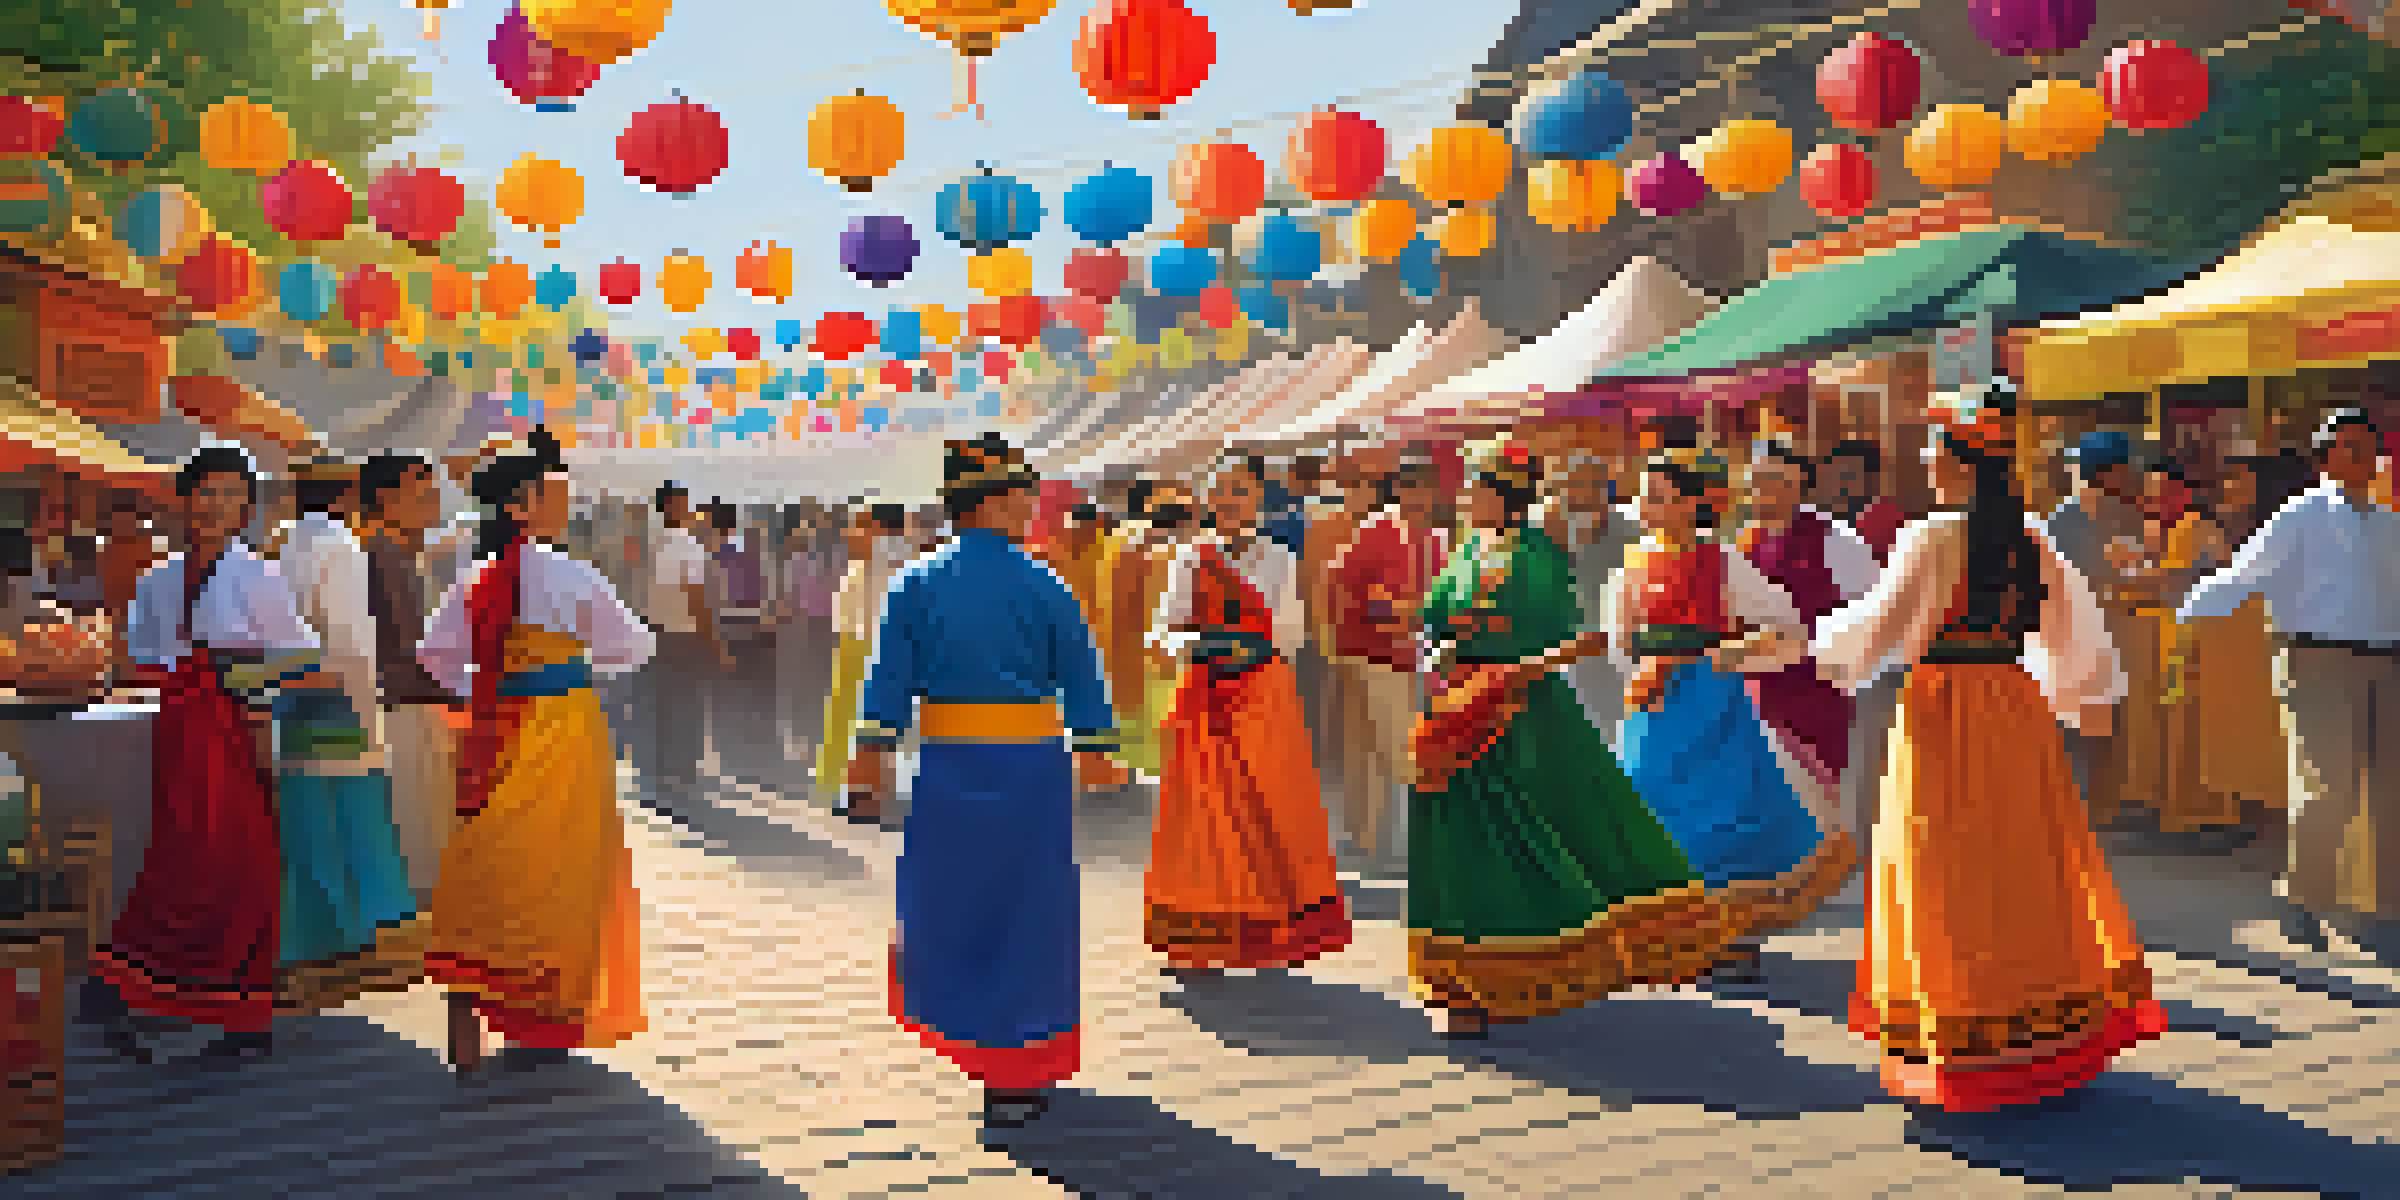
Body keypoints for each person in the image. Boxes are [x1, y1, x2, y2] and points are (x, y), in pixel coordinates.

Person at [1813, 407, 2160, 1112]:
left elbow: (1880, 626)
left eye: (1938, 457)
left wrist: (1817, 646)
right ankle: (2043, 1024)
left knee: (1944, 867)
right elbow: (2079, 643)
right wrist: (2081, 704)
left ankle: (1966, 1027)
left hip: (1943, 707)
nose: (1928, 469)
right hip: (2014, 704)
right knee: (2020, 864)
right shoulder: (2031, 540)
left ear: (1962, 466)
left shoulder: (1933, 536)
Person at [1409, 443, 1744, 1039]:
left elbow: (1564, 633)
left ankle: (1540, 959)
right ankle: (1461, 982)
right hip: (1456, 711)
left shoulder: (1535, 552)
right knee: (1459, 841)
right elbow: (1433, 619)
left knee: (1557, 823)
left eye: (1474, 488)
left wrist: (1511, 671)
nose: (1463, 498)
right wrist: (1439, 656)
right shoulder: (1464, 550)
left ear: (1504, 493)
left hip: (1521, 713)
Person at [845, 433, 1116, 1128]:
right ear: (992, 505)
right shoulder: (1045, 582)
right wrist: (1096, 749)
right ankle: (1017, 1065)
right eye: (1023, 496)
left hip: (944, 766)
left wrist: (870, 755)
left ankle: (968, 1032)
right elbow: (1082, 674)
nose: (1031, 507)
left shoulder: (915, 583)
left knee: (953, 902)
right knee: (1029, 911)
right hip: (1031, 770)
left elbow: (887, 683)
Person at [417, 429, 656, 1076]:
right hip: (566, 730)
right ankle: (544, 1010)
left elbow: (435, 656)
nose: (567, 504)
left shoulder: (475, 579)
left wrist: (489, 684)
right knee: (562, 868)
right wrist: (570, 666)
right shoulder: (571, 574)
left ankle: (468, 1011)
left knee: (486, 858)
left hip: (498, 727)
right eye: (555, 494)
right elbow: (634, 647)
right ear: (521, 506)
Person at [92, 445, 326, 1063]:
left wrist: (242, 693)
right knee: (185, 856)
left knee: (240, 861)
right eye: (207, 492)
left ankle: (239, 1011)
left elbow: (300, 655)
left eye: (231, 494)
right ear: (186, 499)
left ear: (247, 504)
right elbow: (139, 658)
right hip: (182, 726)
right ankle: (135, 985)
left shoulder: (259, 575)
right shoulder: (159, 578)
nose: (218, 506)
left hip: (235, 723)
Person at [1607, 449, 1857, 966]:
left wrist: (1733, 652)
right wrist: (1643, 668)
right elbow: (1621, 636)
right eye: (1645, 495)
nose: (1646, 505)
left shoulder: (1721, 560)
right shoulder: (1633, 561)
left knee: (1724, 814)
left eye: (1658, 496)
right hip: (1654, 705)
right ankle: (1677, 929)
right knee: (1651, 808)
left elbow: (1783, 623)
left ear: (1691, 503)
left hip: (1712, 704)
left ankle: (1734, 933)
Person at [2178, 410, 2400, 955]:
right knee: (2328, 786)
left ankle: (2387, 909)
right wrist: (2189, 614)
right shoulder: (2300, 514)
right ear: (2325, 458)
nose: (2364, 456)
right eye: (2350, 446)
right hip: (2314, 658)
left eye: (2369, 446)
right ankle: (2302, 897)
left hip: (2386, 660)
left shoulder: (2389, 522)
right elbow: (2248, 573)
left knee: (2390, 792)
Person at [1144, 454, 1351, 977]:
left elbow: (1290, 635)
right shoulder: (1189, 559)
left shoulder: (1280, 558)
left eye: (1239, 490)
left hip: (1262, 697)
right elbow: (1163, 632)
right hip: (1205, 700)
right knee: (1204, 816)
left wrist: (1247, 648)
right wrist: (1200, 644)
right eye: (1220, 491)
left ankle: (1271, 929)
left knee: (1267, 811)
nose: (1229, 501)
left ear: (1259, 497)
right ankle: (1199, 933)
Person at [270, 459, 424, 1014]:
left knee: (309, 816)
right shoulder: (341, 545)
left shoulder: (287, 544)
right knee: (352, 812)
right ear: (345, 497)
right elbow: (352, 640)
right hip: (337, 696)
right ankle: (352, 939)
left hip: (295, 696)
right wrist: (366, 711)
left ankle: (308, 941)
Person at [1736, 441, 1880, 838]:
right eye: (1755, 483)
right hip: (1760, 686)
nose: (1761, 492)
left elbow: (1870, 607)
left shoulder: (1833, 537)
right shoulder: (1744, 539)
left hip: (1818, 687)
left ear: (1796, 485)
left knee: (1821, 786)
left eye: (1771, 482)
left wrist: (1812, 642)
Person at [1326, 454, 1440, 874]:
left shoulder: (1430, 537)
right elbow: (1346, 587)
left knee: (1382, 751)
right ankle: (1388, 845)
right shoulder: (1378, 531)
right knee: (1392, 750)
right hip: (1374, 654)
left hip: (1407, 655)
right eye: (1410, 487)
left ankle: (1375, 840)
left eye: (1424, 487)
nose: (1419, 496)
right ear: (1398, 490)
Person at [359, 453, 460, 900]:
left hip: (405, 697)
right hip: (400, 702)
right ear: (387, 498)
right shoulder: (386, 552)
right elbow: (406, 645)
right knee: (410, 817)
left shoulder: (396, 550)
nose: (432, 500)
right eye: (421, 491)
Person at [2044, 431, 2146, 829]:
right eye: (2126, 471)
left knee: (2101, 725)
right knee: (2079, 726)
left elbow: (2133, 568)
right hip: (2079, 635)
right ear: (2110, 474)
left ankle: (2098, 805)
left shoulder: (2122, 516)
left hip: (2113, 632)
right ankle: (2078, 808)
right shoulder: (2068, 521)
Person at [820, 504, 912, 815]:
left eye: (862, 525)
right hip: (856, 650)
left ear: (882, 531)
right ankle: (854, 789)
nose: (851, 533)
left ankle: (869, 793)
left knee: (874, 727)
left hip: (878, 652)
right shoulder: (862, 567)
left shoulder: (894, 562)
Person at [639, 483, 723, 804]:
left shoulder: (653, 544)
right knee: (687, 708)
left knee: (663, 706)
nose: (693, 510)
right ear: (673, 507)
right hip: (685, 637)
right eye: (687, 504)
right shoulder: (686, 545)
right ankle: (682, 775)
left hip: (658, 634)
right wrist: (714, 642)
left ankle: (662, 775)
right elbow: (696, 597)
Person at [1819, 439, 1907, 564]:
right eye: (1835, 474)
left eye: (1850, 476)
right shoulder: (1815, 516)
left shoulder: (1889, 518)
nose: (1841, 483)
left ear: (1871, 479)